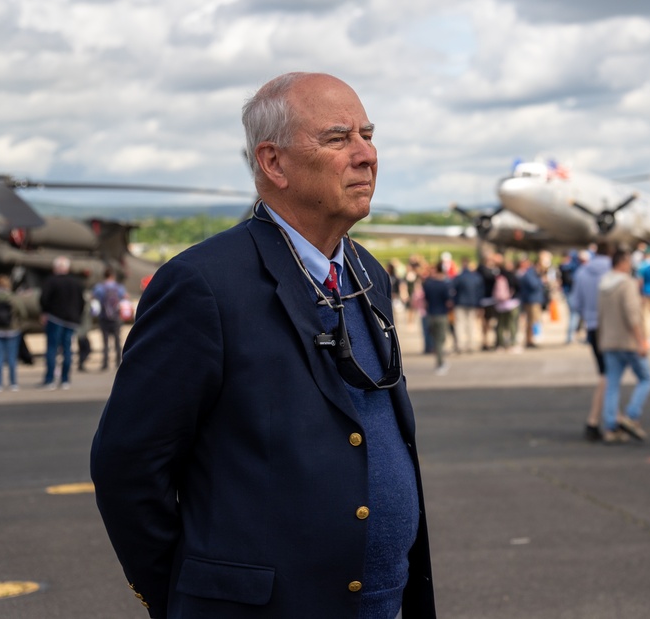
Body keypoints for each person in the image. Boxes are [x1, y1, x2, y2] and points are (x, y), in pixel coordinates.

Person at [91, 72, 436, 618]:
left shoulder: (367, 273)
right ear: (273, 163)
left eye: (368, 135)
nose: (367, 154)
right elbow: (127, 465)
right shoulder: (203, 284)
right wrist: (186, 597)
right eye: (338, 138)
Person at [597, 249, 650, 444]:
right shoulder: (626, 284)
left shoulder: (604, 284)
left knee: (612, 384)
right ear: (621, 263)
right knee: (646, 378)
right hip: (627, 341)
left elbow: (600, 315)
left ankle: (611, 425)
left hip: (609, 340)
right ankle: (631, 415)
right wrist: (641, 340)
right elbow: (632, 314)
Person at [569, 244, 612, 442]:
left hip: (593, 326)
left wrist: (588, 315)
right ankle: (604, 420)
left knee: (605, 373)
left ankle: (603, 418)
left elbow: (575, 303)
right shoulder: (614, 272)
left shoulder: (582, 272)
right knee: (611, 375)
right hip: (612, 327)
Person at [39, 256, 85, 390]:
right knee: (67, 349)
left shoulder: (51, 281)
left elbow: (44, 299)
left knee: (52, 349)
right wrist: (77, 315)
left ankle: (50, 379)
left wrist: (45, 312)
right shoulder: (76, 283)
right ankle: (65, 379)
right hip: (71, 320)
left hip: (55, 318)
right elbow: (82, 302)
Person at [92, 268, 128, 371]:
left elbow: (93, 298)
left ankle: (105, 363)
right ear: (113, 276)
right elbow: (125, 297)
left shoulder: (99, 287)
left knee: (105, 341)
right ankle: (118, 362)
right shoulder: (119, 287)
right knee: (117, 340)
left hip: (104, 317)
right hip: (116, 317)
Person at [422, 261, 454, 375]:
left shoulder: (428, 284)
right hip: (441, 314)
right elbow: (449, 302)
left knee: (436, 340)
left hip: (430, 314)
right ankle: (440, 363)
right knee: (441, 340)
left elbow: (425, 300)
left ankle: (439, 361)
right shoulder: (444, 285)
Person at [452, 256, 484, 353]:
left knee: (460, 325)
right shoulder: (476, 277)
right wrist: (479, 304)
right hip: (472, 303)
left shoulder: (459, 277)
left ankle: (461, 345)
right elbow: (480, 292)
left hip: (460, 303)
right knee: (471, 324)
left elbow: (453, 290)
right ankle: (471, 344)